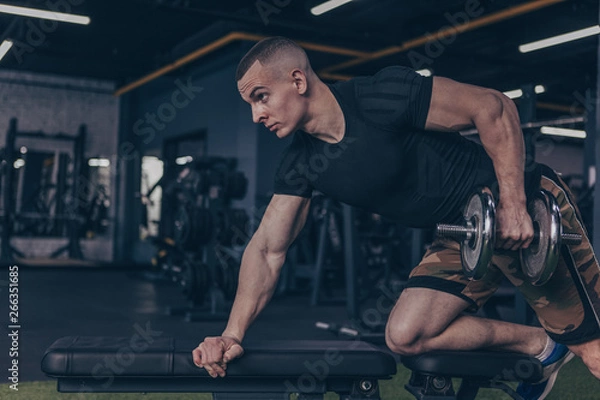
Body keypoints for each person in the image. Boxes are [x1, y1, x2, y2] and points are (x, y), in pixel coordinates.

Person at [192, 36, 600, 399]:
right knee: (408, 335)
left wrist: (513, 204)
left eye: (260, 97)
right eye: (250, 103)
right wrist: (232, 333)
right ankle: (542, 345)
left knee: (594, 351)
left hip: (523, 205)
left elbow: (493, 107)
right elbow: (266, 249)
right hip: (466, 232)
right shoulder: (301, 165)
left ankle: (572, 339)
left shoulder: (382, 95)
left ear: (298, 81)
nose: (255, 115)